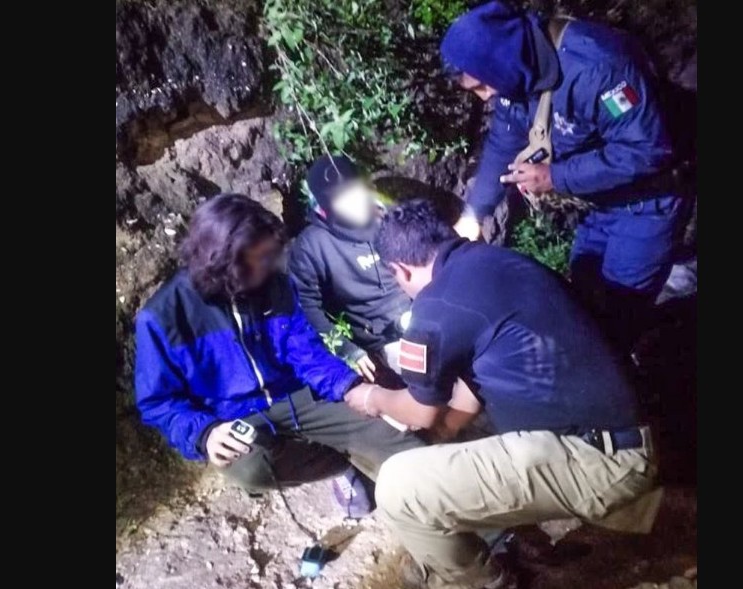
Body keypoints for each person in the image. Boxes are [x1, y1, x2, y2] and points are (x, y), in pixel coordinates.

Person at [345, 200, 661, 589]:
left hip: (601, 464)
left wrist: (374, 398)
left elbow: (421, 411)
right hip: (625, 439)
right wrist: (444, 435)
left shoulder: (436, 303)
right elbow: (474, 390)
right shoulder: (499, 262)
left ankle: (490, 583)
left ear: (400, 269)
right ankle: (504, 544)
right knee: (457, 442)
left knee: (398, 488)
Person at [134, 194, 424, 513]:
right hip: (234, 413)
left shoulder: (275, 284)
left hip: (299, 394)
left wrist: (355, 389)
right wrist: (204, 433)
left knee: (397, 439)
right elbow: (158, 403)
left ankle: (409, 479)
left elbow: (305, 353)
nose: (271, 265)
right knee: (252, 470)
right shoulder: (162, 317)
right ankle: (343, 466)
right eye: (261, 258)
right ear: (225, 262)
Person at [441, 1, 687, 351]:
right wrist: (473, 214)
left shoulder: (597, 67)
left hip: (648, 204)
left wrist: (555, 176)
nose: (486, 96)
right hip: (600, 202)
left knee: (619, 314)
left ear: (500, 59)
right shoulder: (516, 74)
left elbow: (647, 149)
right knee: (581, 298)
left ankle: (640, 382)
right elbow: (502, 142)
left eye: (482, 85)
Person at [288, 155, 412, 386]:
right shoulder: (313, 245)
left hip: (425, 315)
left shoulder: (390, 216)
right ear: (325, 204)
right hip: (382, 338)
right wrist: (347, 350)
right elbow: (306, 306)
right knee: (425, 375)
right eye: (342, 198)